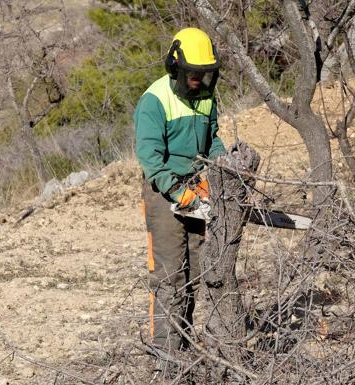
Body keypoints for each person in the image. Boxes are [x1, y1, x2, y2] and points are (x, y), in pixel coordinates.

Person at [134, 27, 225, 351]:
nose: (197, 81)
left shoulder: (206, 97)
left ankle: (186, 344)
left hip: (195, 187)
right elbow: (149, 157)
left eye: (203, 74)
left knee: (198, 270)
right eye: (192, 74)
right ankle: (166, 354)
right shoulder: (155, 100)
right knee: (170, 276)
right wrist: (177, 190)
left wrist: (224, 165)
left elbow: (212, 140)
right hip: (163, 193)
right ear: (176, 68)